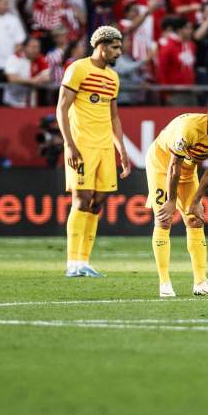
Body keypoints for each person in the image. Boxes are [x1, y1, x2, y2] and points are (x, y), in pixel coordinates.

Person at [145, 96, 208, 298]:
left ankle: (200, 283)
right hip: (162, 166)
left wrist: (196, 201)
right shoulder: (188, 129)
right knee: (164, 220)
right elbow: (173, 166)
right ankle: (164, 283)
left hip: (188, 170)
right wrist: (171, 201)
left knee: (195, 220)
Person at [56, 26, 131, 278]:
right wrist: (68, 143)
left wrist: (121, 149)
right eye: (115, 47)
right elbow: (62, 108)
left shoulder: (113, 78)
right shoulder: (78, 69)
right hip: (81, 145)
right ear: (101, 46)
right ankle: (72, 263)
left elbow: (114, 117)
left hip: (104, 148)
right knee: (81, 199)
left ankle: (84, 261)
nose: (119, 52)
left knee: (97, 203)